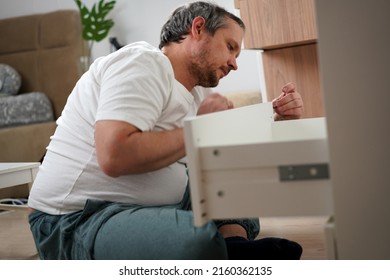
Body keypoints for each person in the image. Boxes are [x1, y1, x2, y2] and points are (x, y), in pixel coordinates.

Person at [28, 1, 304, 260]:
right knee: (192, 238)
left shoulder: (197, 94)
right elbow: (114, 156)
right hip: (75, 220)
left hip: (150, 208)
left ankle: (232, 247)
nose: (234, 63)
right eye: (230, 46)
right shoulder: (142, 62)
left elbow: (222, 166)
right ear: (197, 29)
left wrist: (279, 120)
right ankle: (216, 248)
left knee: (235, 185)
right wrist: (201, 129)